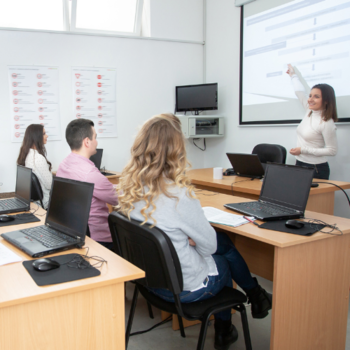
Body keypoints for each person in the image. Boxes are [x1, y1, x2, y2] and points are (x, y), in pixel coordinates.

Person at [117, 113, 272, 350]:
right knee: (224, 252)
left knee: (221, 244)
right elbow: (208, 247)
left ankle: (249, 303)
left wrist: (179, 238)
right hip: (185, 290)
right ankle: (232, 320)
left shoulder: (129, 188)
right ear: (176, 151)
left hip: (149, 283)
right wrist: (189, 240)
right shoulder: (178, 195)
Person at [56, 118, 118, 250]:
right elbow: (118, 198)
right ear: (87, 141)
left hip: (74, 233)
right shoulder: (89, 173)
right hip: (99, 240)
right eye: (95, 137)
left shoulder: (63, 165)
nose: (96, 141)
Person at [286, 64, 338, 179]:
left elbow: (332, 150)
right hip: (299, 163)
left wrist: (303, 150)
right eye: (310, 95)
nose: (310, 99)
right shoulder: (309, 111)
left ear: (326, 100)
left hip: (316, 169)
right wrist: (293, 75)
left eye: (316, 96)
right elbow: (299, 92)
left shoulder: (326, 122)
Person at [17, 124, 52, 209]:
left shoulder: (27, 154)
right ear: (36, 137)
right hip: (45, 201)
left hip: (35, 201)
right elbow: (50, 185)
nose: (47, 136)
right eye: (44, 134)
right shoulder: (38, 158)